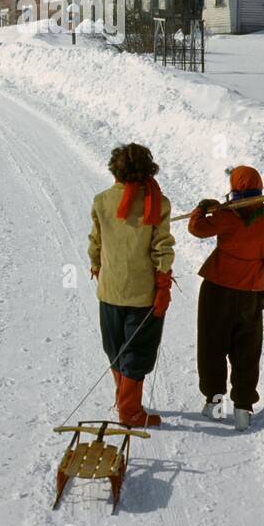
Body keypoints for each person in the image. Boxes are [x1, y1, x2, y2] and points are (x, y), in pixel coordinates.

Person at [88, 143, 175, 428]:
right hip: (143, 294)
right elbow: (161, 247)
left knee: (115, 348)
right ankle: (130, 412)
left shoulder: (101, 201)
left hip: (110, 291)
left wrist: (97, 267)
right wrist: (163, 284)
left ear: (115, 170)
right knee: (136, 353)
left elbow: (95, 243)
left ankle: (125, 401)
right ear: (147, 170)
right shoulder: (158, 203)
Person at [188, 165, 264, 431]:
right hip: (250, 294)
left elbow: (196, 228)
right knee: (247, 352)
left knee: (212, 346)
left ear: (235, 190)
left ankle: (215, 404)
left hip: (217, 290)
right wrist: (263, 293)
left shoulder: (227, 217)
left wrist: (201, 209)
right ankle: (243, 409)